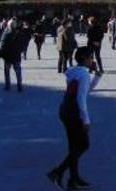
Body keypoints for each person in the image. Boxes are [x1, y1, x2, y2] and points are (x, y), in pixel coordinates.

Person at [47, 46, 102, 191]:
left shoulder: (74, 71)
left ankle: (73, 179)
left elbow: (86, 90)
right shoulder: (83, 75)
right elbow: (81, 99)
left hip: (65, 110)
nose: (93, 60)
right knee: (83, 145)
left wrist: (97, 76)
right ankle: (57, 172)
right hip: (73, 113)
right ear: (84, 59)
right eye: (91, 57)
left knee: (74, 147)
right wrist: (86, 120)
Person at [0, 19, 26, 92]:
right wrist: (21, 51)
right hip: (16, 55)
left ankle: (7, 85)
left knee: (7, 71)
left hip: (8, 56)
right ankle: (19, 86)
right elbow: (23, 44)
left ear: (8, 25)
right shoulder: (19, 33)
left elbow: (2, 45)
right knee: (18, 71)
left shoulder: (6, 33)